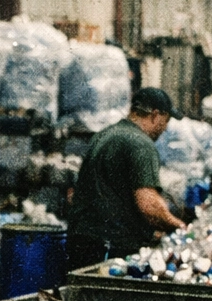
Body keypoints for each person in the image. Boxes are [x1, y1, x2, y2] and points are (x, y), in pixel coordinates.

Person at [65, 87, 187, 270]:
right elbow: (148, 205)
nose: (165, 128)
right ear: (155, 115)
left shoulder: (104, 135)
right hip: (112, 247)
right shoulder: (141, 144)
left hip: (80, 240)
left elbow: (75, 194)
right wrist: (179, 226)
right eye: (166, 121)